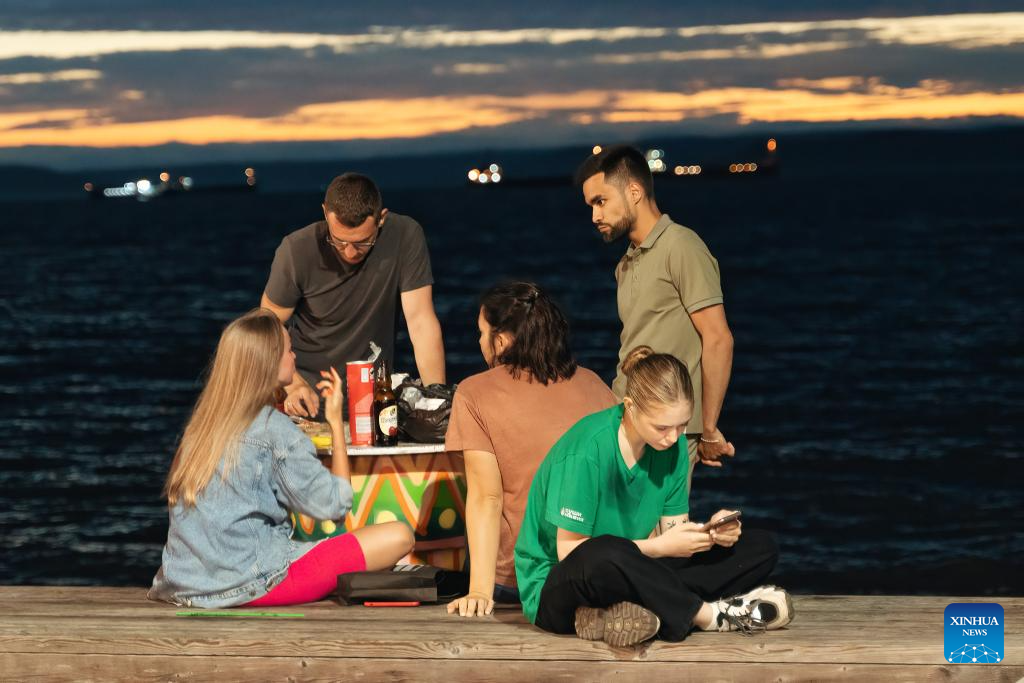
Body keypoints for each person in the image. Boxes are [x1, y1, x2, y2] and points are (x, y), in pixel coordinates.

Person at [514, 346, 791, 646]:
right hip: (558, 587)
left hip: (632, 570)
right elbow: (570, 553)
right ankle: (710, 616)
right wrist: (659, 547)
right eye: (662, 427)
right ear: (630, 406)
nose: (673, 437)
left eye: (682, 425)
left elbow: (672, 540)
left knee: (762, 547)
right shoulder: (587, 450)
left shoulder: (672, 449)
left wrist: (709, 534)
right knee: (603, 552)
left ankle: (627, 614)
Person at [149, 308, 414, 608]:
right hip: (251, 584)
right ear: (269, 362)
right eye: (289, 350)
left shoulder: (201, 423)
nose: (295, 357)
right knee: (399, 535)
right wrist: (334, 423)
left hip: (184, 584)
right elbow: (334, 504)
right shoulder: (271, 428)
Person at [444, 282, 617, 617]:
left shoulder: (474, 394)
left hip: (516, 582)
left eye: (482, 333)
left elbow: (486, 497)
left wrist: (479, 592)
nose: (480, 342)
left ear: (503, 340)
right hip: (592, 573)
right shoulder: (595, 385)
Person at [576, 145, 736, 475]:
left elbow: (718, 338)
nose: (595, 216)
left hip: (666, 429)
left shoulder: (681, 246)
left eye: (601, 201)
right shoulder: (626, 263)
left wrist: (706, 429)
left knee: (660, 528)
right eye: (591, 205)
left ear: (634, 191)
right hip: (625, 421)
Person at [260, 172, 445, 418]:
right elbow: (265, 327)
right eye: (339, 241)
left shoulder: (405, 235)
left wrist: (436, 401)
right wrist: (293, 385)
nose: (349, 252)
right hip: (306, 399)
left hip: (375, 399)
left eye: (363, 243)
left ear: (381, 218)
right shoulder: (296, 250)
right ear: (325, 213)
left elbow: (421, 321)